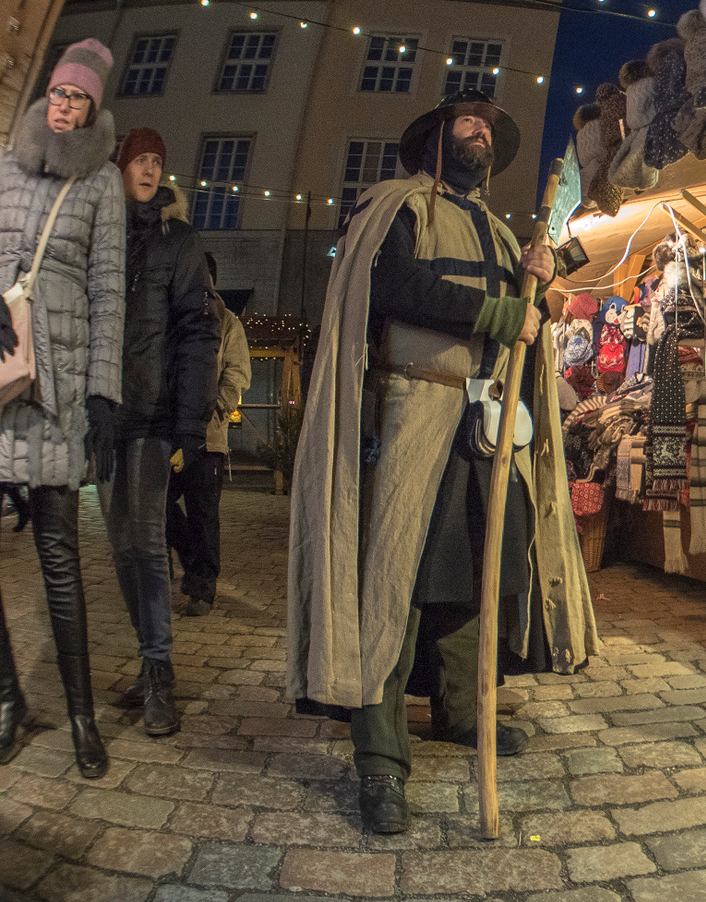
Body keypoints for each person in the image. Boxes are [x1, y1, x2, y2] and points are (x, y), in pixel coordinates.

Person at [286, 89, 599, 835]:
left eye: (487, 125)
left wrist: (541, 281)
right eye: (467, 121)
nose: (480, 130)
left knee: (470, 570)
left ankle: (460, 711)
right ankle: (381, 756)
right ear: (435, 136)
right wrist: (499, 311)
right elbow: (395, 284)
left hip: (486, 419)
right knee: (394, 576)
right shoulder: (396, 206)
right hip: (415, 408)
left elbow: (521, 319)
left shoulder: (500, 230)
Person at [0, 40, 127, 777]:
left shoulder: (101, 181)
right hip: (0, 371)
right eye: (57, 92)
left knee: (57, 551)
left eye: (76, 97)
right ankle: (8, 698)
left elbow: (108, 289)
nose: (62, 104)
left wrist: (103, 391)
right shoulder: (6, 165)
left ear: (91, 108)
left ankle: (81, 716)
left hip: (59, 381)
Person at [102, 127, 218, 738]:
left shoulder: (180, 241)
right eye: (139, 160)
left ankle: (160, 672)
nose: (149, 169)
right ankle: (148, 662)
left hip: (152, 414)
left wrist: (190, 421)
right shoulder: (101, 235)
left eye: (157, 161)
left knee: (147, 542)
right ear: (119, 167)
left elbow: (199, 331)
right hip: (104, 416)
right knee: (121, 545)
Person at [166, 252, 251, 618]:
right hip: (169, 433)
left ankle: (202, 587)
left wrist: (214, 410)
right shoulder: (172, 316)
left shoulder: (228, 322)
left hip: (208, 437)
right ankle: (191, 560)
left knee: (203, 516)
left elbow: (236, 374)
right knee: (158, 505)